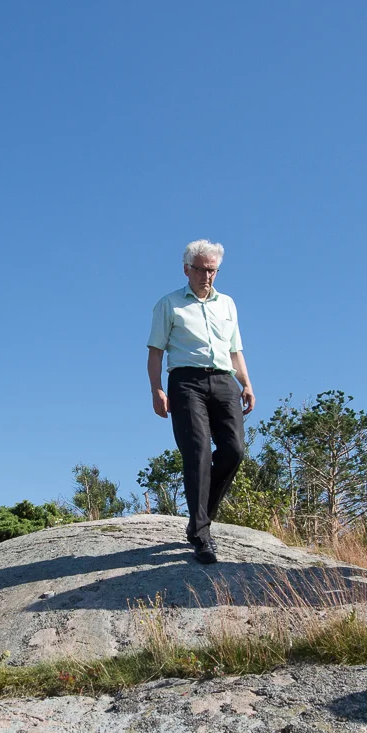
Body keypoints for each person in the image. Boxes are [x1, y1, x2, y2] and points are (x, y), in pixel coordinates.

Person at [147, 239, 255, 564]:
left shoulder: (228, 305)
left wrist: (246, 383)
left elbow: (235, 349)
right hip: (185, 382)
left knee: (234, 450)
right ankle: (203, 538)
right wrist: (156, 390)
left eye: (212, 271)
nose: (207, 276)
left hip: (223, 381)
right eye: (201, 270)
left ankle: (198, 519)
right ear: (186, 269)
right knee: (198, 452)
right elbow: (154, 352)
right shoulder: (168, 304)